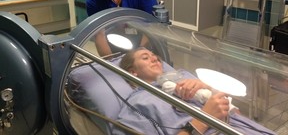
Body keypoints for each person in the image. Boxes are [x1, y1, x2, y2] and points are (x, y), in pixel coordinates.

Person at [114, 47, 276, 135]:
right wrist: (203, 120)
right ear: (132, 72)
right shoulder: (136, 103)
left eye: (154, 55)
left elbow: (235, 111)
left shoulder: (183, 76)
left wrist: (206, 87)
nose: (154, 58)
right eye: (145, 57)